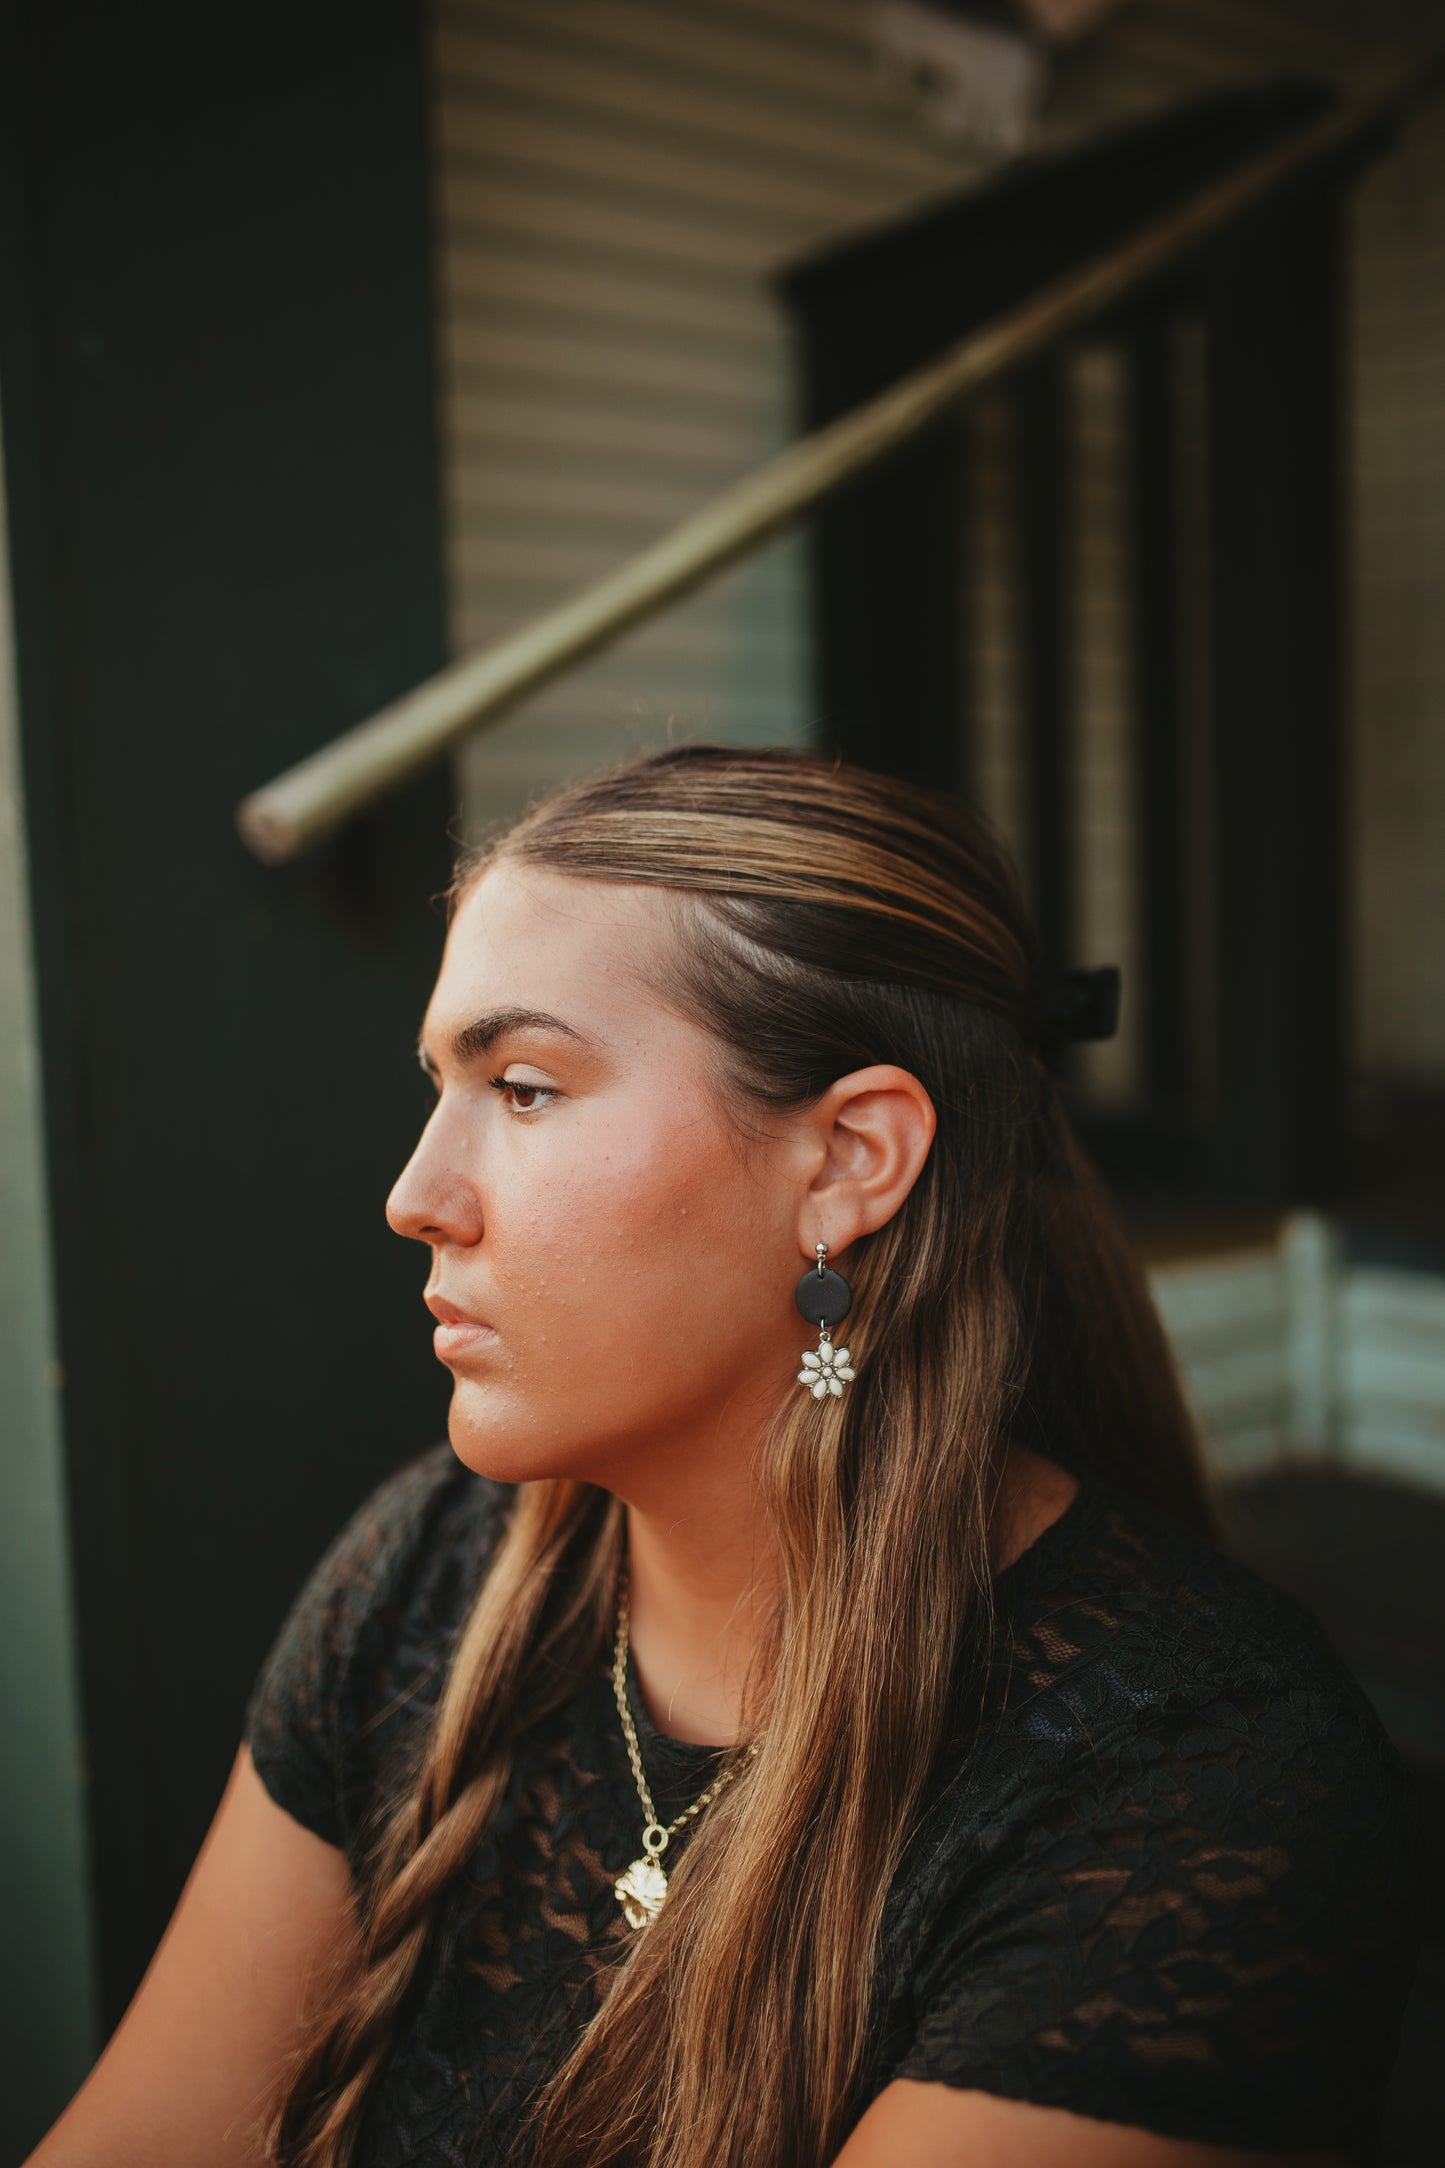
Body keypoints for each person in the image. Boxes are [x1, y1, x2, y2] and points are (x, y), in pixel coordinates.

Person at [29, 744, 1418, 2168]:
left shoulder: (1188, 1788)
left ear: (844, 1163)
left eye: (521, 1087)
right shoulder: (427, 1581)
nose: (415, 1197)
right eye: (441, 1085)